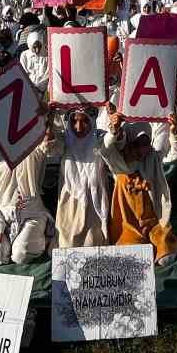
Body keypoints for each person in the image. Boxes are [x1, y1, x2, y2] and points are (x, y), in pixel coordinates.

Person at [100, 108, 177, 266]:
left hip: (153, 222)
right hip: (129, 226)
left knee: (166, 258)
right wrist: (114, 130)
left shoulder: (152, 158)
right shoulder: (120, 164)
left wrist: (173, 131)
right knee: (131, 259)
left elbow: (174, 153)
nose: (141, 150)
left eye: (145, 144)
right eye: (136, 144)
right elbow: (105, 149)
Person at [0, 118, 53, 266]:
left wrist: (47, 118)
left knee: (20, 256)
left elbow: (46, 143)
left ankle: (44, 236)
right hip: (3, 217)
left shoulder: (34, 149)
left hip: (32, 215)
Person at [55, 104, 111, 248]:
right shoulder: (63, 140)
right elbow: (49, 145)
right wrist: (48, 118)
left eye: (84, 121)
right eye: (74, 121)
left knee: (93, 245)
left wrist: (115, 128)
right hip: (70, 206)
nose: (78, 127)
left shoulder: (99, 138)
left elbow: (111, 141)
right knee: (67, 247)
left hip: (94, 206)